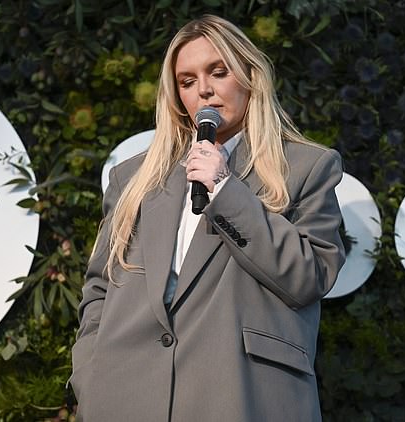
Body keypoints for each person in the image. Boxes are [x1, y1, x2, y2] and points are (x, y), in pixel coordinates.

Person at [70, 14, 345, 422]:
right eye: (187, 81)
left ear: (250, 76)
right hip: (123, 395)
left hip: (239, 396)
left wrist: (225, 190)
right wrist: (90, 379)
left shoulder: (305, 167)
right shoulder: (133, 177)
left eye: (218, 72)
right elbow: (99, 290)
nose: (204, 90)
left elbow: (310, 277)